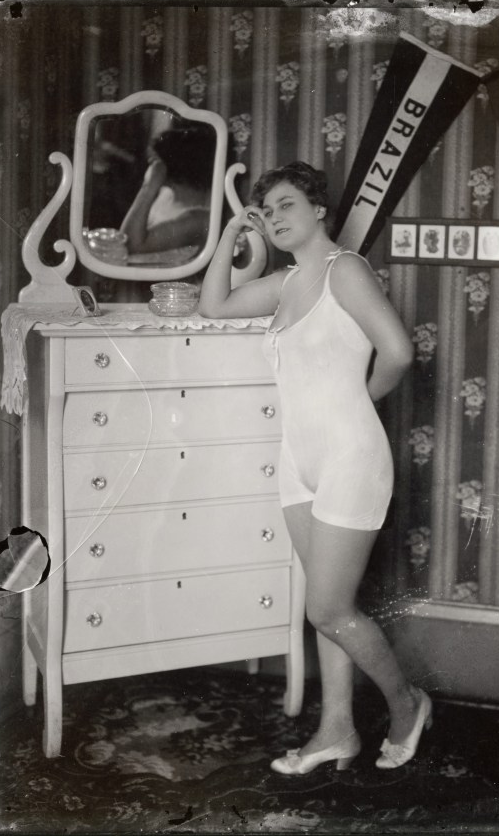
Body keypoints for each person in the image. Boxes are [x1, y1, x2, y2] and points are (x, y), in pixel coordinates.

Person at [198, 161, 431, 774]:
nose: (275, 218)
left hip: (350, 454)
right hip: (297, 459)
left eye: (286, 205)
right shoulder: (284, 283)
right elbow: (214, 306)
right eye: (266, 211)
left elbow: (399, 351)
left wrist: (360, 402)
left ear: (319, 209)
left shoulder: (343, 270)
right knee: (331, 604)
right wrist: (230, 237)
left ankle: (407, 706)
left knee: (327, 610)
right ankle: (336, 732)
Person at [120, 125, 214, 257]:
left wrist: (149, 186)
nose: (151, 163)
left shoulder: (199, 217)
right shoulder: (166, 195)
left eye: (156, 160)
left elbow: (129, 244)